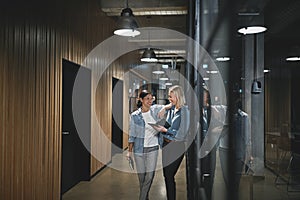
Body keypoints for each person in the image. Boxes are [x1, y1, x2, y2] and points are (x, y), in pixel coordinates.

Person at [126, 90, 170, 200]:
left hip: (153, 148)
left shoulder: (155, 110)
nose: (150, 101)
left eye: (151, 98)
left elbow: (170, 104)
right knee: (142, 177)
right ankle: (145, 197)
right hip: (139, 149)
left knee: (149, 176)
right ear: (141, 100)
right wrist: (129, 151)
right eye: (147, 99)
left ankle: (141, 198)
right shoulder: (135, 116)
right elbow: (132, 134)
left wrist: (164, 108)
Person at [152, 85, 190, 200]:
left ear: (177, 97)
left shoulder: (185, 112)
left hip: (177, 146)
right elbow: (167, 123)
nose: (169, 99)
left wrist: (165, 130)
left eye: (171, 97)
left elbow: (182, 133)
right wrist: (165, 108)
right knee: (166, 176)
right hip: (166, 145)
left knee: (169, 175)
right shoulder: (172, 109)